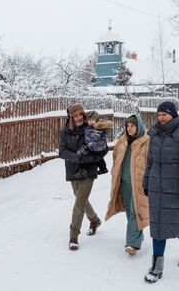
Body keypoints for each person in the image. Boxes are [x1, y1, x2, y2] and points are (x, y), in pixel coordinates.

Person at [142, 101, 179, 284]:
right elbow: (150, 162)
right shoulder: (155, 134)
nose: (161, 118)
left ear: (173, 114)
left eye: (164, 114)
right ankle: (157, 267)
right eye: (159, 114)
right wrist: (147, 182)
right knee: (158, 228)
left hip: (176, 189)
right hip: (158, 188)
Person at [59, 104, 108, 251]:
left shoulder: (91, 128)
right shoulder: (65, 132)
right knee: (80, 198)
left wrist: (90, 158)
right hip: (73, 169)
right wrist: (77, 158)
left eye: (81, 114)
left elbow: (103, 148)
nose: (79, 118)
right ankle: (94, 220)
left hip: (88, 170)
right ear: (71, 118)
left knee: (79, 203)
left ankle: (73, 236)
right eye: (75, 116)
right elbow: (62, 152)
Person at [106, 115, 149, 256]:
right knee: (130, 210)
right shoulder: (122, 141)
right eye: (128, 126)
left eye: (132, 126)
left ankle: (132, 244)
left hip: (139, 183)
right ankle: (137, 235)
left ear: (139, 127)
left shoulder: (146, 142)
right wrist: (115, 171)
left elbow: (151, 162)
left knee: (135, 211)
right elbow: (115, 156)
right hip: (124, 181)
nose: (129, 129)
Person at [81, 110, 112, 175]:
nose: (91, 122)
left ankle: (86, 169)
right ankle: (103, 168)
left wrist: (88, 144)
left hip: (97, 147)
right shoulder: (89, 127)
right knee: (99, 159)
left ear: (96, 120)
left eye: (92, 120)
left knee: (91, 157)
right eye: (89, 120)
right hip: (97, 147)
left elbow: (95, 137)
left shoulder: (98, 128)